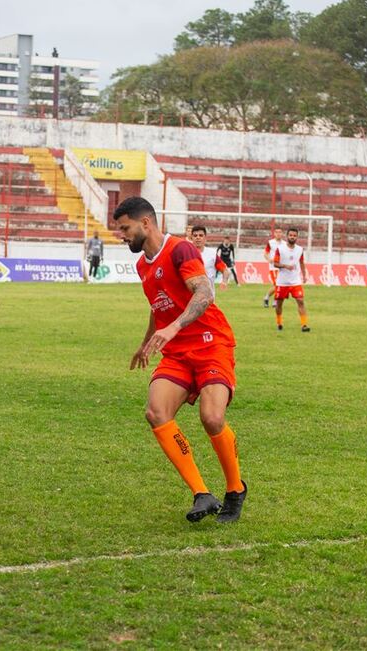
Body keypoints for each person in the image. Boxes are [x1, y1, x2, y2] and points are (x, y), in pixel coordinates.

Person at [113, 197, 247, 524]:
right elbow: (158, 304)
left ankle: (235, 489)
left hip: (210, 342)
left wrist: (174, 327)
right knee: (156, 412)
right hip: (177, 352)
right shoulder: (143, 265)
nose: (122, 235)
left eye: (125, 228)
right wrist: (146, 342)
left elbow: (204, 293)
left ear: (146, 223)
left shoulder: (181, 249)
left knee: (212, 418)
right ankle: (202, 493)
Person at [272, 228, 310, 333]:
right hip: (282, 281)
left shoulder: (300, 249)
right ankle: (279, 322)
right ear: (287, 236)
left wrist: (304, 275)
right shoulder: (280, 249)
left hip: (295, 280)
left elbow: (301, 262)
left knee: (300, 301)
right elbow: (275, 263)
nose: (292, 237)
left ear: (297, 237)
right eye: (291, 235)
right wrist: (285, 266)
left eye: (294, 235)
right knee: (279, 304)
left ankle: (304, 325)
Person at [188, 225, 228, 295]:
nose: (198, 237)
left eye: (201, 235)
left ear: (205, 238)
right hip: (190, 296)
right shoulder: (186, 253)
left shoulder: (212, 254)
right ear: (191, 238)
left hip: (208, 296)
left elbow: (225, 270)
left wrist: (224, 281)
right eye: (195, 235)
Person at [262, 227, 285, 308]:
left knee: (280, 285)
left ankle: (270, 299)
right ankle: (269, 298)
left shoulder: (285, 244)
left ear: (282, 234)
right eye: (277, 232)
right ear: (274, 234)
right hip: (273, 267)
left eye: (280, 232)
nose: (278, 234)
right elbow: (265, 253)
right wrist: (269, 259)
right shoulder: (270, 243)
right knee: (277, 284)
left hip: (282, 267)